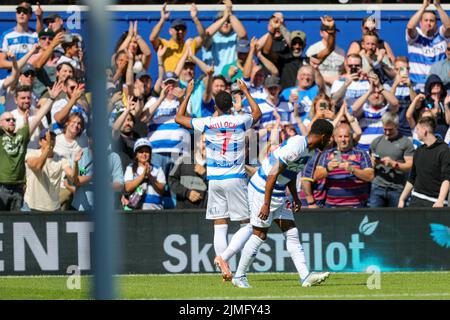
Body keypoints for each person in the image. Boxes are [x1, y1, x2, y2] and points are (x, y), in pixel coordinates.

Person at [175, 79, 261, 282]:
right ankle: (224, 258)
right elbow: (257, 114)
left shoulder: (207, 123)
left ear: (215, 106)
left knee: (219, 225)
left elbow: (179, 118)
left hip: (214, 179)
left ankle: (225, 270)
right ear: (231, 105)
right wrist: (247, 92)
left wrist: (187, 93)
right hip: (235, 178)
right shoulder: (240, 120)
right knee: (247, 225)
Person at [232, 119, 333, 288]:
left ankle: (305, 277)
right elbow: (272, 174)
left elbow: (291, 173)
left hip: (278, 190)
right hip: (262, 189)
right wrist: (265, 203)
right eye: (329, 138)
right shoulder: (297, 146)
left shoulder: (309, 150)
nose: (329, 141)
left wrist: (295, 196)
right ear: (323, 136)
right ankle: (239, 276)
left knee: (291, 231)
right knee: (260, 234)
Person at [0, 83, 60, 211]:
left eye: (28, 98)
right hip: (6, 179)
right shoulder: (5, 124)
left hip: (28, 172)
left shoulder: (29, 125)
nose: (11, 122)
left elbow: (40, 117)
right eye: (23, 98)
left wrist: (52, 98)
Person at [314, 123, 374, 208]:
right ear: (335, 138)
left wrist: (352, 169)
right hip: (332, 206)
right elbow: (316, 176)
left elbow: (370, 176)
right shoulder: (326, 154)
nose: (343, 139)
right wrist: (328, 169)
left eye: (346, 136)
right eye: (340, 136)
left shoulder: (361, 154)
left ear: (351, 137)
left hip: (357, 206)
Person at [23, 129, 82, 211]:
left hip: (53, 208)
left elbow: (73, 177)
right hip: (31, 206)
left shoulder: (61, 159)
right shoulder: (31, 153)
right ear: (40, 142)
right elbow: (37, 166)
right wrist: (47, 147)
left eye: (53, 138)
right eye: (47, 138)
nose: (51, 141)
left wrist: (75, 162)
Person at [398, 116, 450, 208]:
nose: (416, 132)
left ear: (425, 130)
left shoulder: (444, 150)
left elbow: (446, 178)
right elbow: (412, 178)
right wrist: (402, 199)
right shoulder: (419, 151)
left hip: (434, 203)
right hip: (416, 201)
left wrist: (440, 201)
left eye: (417, 129)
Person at [368, 112, 414, 208]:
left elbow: (410, 165)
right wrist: (373, 162)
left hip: (397, 189)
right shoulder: (376, 142)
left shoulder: (406, 142)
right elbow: (369, 163)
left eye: (390, 130)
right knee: (374, 219)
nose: (387, 132)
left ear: (397, 126)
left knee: (395, 220)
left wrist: (394, 164)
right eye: (385, 129)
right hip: (378, 187)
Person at [406, 0, 450, 92]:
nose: (428, 23)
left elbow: (448, 27)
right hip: (417, 86)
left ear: (436, 23)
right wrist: (424, 6)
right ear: (420, 23)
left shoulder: (441, 35)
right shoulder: (415, 36)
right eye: (425, 20)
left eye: (432, 21)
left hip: (439, 87)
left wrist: (438, 6)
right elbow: (410, 27)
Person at [149, 3, 205, 72]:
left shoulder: (190, 44)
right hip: (170, 81)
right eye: (177, 28)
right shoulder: (164, 45)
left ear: (186, 31)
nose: (180, 31)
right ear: (170, 31)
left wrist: (195, 18)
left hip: (186, 81)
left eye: (183, 28)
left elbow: (203, 37)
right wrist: (162, 19)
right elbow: (152, 38)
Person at [351, 73, 399, 151]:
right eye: (373, 93)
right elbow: (354, 109)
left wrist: (380, 86)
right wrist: (369, 91)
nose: (376, 96)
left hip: (382, 150)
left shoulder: (387, 110)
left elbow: (395, 103)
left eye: (379, 93)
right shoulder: (363, 109)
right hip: (363, 149)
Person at [202, 0, 247, 76]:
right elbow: (206, 34)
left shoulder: (236, 36)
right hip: (214, 81)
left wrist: (230, 13)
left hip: (233, 80)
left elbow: (243, 35)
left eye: (228, 21)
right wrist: (225, 17)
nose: (225, 23)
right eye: (222, 20)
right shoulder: (212, 38)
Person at [123, 138, 165, 210]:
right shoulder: (130, 168)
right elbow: (128, 187)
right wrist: (143, 176)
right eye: (141, 152)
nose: (144, 154)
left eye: (147, 152)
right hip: (136, 211)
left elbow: (162, 190)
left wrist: (150, 176)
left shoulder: (158, 169)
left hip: (156, 209)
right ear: (136, 155)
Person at [168, 133, 208, 209]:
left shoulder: (216, 165)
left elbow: (219, 189)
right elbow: (171, 180)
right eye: (205, 142)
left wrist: (204, 174)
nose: (207, 146)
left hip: (204, 214)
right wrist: (187, 193)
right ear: (197, 143)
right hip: (182, 214)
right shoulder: (183, 159)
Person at [0, 2, 39, 70]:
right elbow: (1, 63)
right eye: (19, 11)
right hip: (13, 78)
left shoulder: (36, 35)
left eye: (25, 11)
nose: (21, 13)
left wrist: (40, 18)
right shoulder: (6, 35)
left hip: (31, 78)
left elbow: (39, 61)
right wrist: (21, 65)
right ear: (16, 14)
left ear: (30, 15)